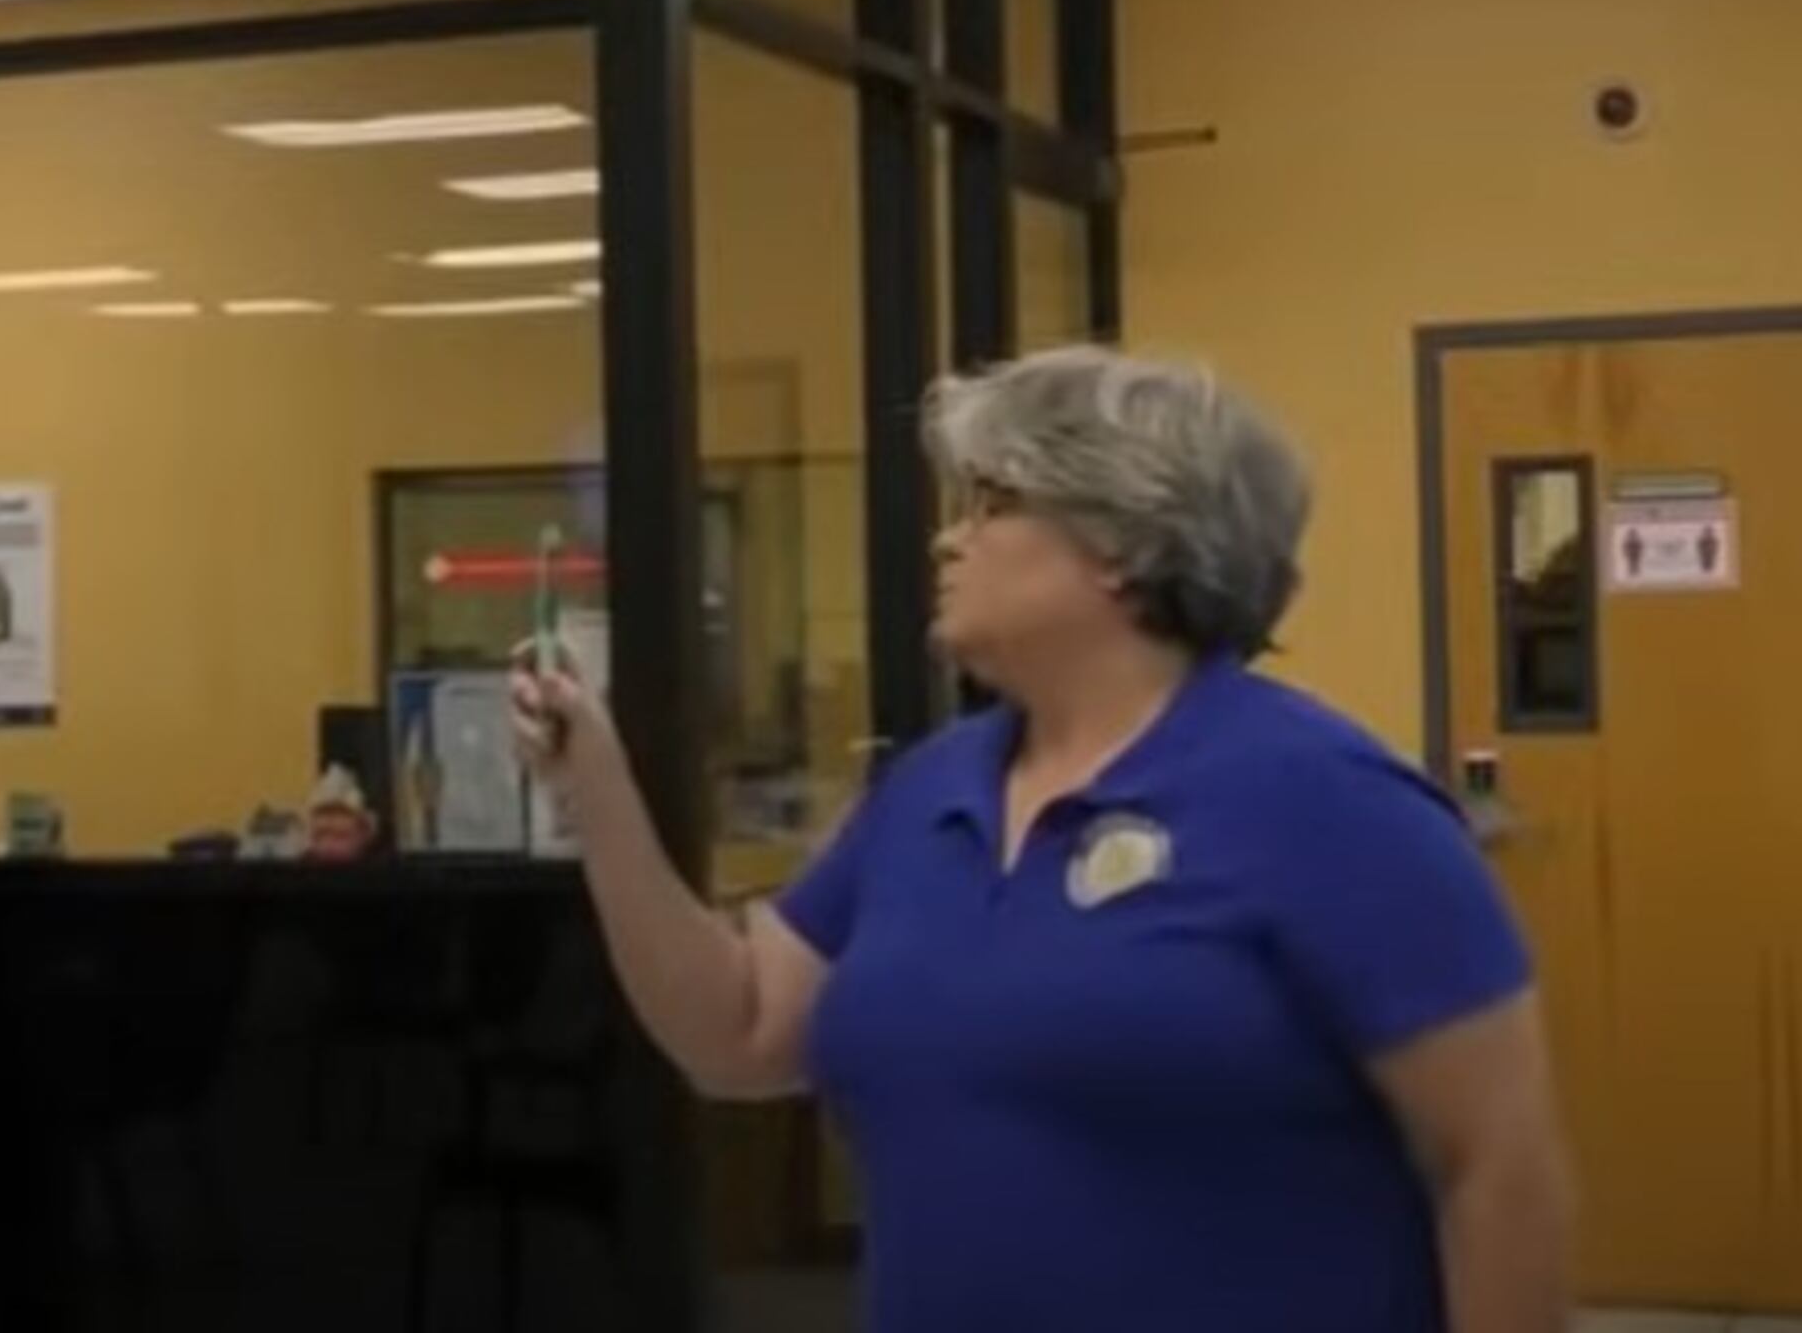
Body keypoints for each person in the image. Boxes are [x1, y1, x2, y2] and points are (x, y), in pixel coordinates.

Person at [514, 346, 1572, 1333]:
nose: (947, 539)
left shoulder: (1328, 802)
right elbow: (738, 1033)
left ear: (1122, 542)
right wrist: (598, 793)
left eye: (993, 504)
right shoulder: (931, 791)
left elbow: (1499, 1167)